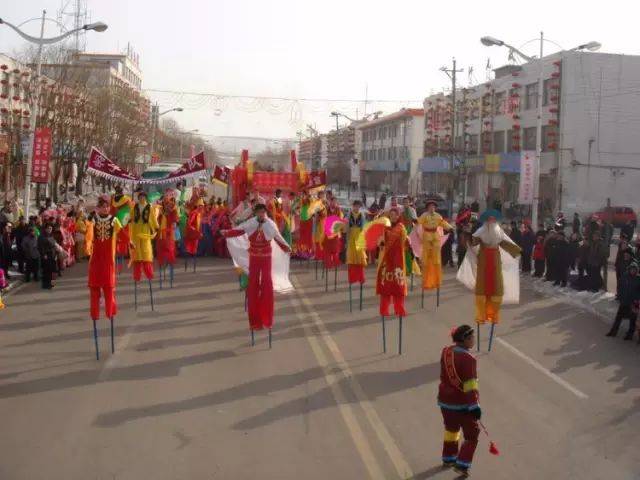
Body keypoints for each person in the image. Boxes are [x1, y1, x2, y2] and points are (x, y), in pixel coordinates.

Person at [222, 204, 291, 332]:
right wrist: (227, 233)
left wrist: (287, 247)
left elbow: (278, 237)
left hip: (265, 258)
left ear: (265, 213)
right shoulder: (251, 222)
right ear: (255, 213)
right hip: (254, 258)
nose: (261, 214)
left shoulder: (270, 224)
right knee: (253, 286)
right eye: (259, 212)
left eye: (263, 212)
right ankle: (254, 321)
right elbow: (239, 230)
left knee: (266, 285)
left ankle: (267, 319)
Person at [437, 324, 481, 477]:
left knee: (451, 429)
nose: (474, 340)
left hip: (444, 400)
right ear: (466, 339)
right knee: (472, 435)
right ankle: (462, 464)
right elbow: (470, 385)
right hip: (461, 404)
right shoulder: (468, 359)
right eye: (472, 337)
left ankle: (449, 457)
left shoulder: (446, 351)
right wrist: (475, 406)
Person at [465, 210, 521, 325]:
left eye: (493, 219)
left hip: (495, 258)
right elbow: (473, 242)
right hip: (484, 258)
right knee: (482, 286)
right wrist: (468, 235)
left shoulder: (499, 231)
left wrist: (516, 251)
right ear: (486, 221)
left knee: (496, 285)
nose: (491, 221)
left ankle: (493, 315)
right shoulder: (480, 231)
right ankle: (481, 315)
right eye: (489, 219)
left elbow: (505, 243)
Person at [88, 198, 122, 322]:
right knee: (94, 287)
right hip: (96, 256)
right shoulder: (93, 220)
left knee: (108, 287)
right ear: (98, 208)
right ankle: (94, 314)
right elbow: (88, 232)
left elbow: (122, 233)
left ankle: (110, 311)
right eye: (103, 206)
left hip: (108, 256)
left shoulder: (114, 220)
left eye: (107, 207)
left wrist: (128, 242)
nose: (105, 209)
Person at [376, 207, 408, 317]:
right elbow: (380, 241)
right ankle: (384, 310)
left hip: (398, 260)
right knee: (386, 286)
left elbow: (405, 242)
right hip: (387, 259)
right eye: (391, 215)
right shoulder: (385, 227)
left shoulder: (401, 228)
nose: (393, 216)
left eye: (395, 215)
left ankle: (399, 309)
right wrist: (381, 243)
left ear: (399, 216)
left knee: (398, 286)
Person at [418, 200, 453, 290]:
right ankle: (425, 277)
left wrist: (449, 227)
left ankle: (436, 278)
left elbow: (443, 223)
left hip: (435, 237)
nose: (432, 208)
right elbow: (419, 223)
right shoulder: (424, 215)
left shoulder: (438, 216)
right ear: (427, 208)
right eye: (430, 207)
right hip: (426, 236)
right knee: (426, 257)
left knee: (436, 258)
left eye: (433, 207)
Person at [130, 191, 159, 283]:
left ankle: (149, 273)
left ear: (145, 198)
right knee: (137, 252)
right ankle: (137, 275)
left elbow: (153, 218)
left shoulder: (149, 207)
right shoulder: (135, 207)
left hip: (145, 230)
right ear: (138, 198)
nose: (142, 198)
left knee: (146, 251)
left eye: (143, 197)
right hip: (136, 230)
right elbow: (131, 217)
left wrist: (156, 227)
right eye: (140, 197)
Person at [606, 262, 640, 340]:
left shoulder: (638, 279)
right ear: (629, 269)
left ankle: (630, 335)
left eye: (634, 270)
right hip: (624, 301)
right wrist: (620, 296)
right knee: (618, 317)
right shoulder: (624, 277)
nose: (633, 271)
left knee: (633, 319)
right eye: (631, 269)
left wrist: (637, 298)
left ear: (637, 270)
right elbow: (619, 287)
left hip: (634, 302)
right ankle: (613, 332)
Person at [346, 200, 367, 284]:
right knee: (352, 259)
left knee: (360, 258)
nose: (356, 208)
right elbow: (347, 226)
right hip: (351, 237)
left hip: (359, 237)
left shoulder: (362, 215)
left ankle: (361, 277)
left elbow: (363, 227)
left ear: (360, 207)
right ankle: (352, 278)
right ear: (353, 206)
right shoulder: (349, 214)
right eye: (355, 206)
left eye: (358, 206)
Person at [323, 197, 344, 270]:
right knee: (327, 248)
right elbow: (323, 218)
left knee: (335, 248)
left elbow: (340, 219)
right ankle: (328, 263)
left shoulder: (339, 210)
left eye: (335, 202)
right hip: (328, 231)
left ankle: (335, 262)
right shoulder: (326, 210)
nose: (334, 203)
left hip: (335, 232)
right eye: (332, 202)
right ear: (330, 202)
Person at [38, 224, 57, 289]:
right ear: (45, 229)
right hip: (46, 255)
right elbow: (40, 247)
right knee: (46, 270)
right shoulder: (41, 236)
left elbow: (54, 245)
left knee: (50, 270)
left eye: (51, 228)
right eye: (48, 228)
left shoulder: (51, 235)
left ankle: (49, 283)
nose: (50, 230)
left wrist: (55, 253)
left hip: (52, 255)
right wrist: (43, 254)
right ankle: (45, 285)